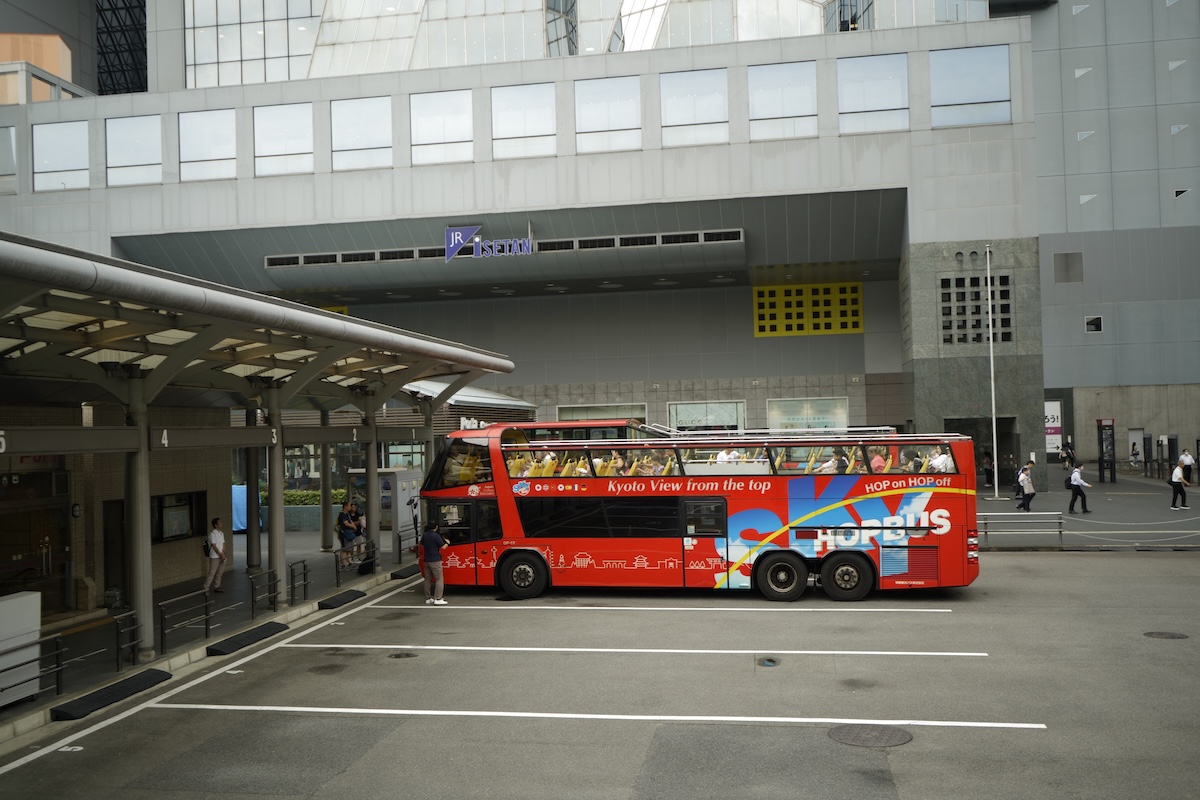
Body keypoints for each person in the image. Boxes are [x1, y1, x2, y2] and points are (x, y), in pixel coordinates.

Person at [421, 520, 449, 605]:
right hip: (435, 560)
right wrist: (447, 543)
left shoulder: (425, 535)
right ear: (436, 527)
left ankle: (428, 598)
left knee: (427, 579)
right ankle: (438, 598)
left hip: (426, 560)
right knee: (439, 579)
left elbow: (422, 544)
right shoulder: (436, 536)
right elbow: (443, 547)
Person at [203, 516, 227, 594]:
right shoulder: (212, 534)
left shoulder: (221, 533)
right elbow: (214, 546)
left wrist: (223, 553)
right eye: (219, 522)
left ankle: (217, 586)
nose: (221, 523)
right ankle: (206, 588)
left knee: (220, 572)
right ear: (215, 525)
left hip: (221, 555)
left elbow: (223, 544)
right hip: (214, 556)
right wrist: (220, 554)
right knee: (212, 572)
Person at [336, 501, 357, 566]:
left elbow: (350, 521)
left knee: (349, 548)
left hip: (349, 532)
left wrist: (353, 526)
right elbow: (346, 523)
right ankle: (343, 562)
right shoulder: (342, 514)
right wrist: (353, 526)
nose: (350, 507)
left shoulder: (347, 514)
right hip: (344, 533)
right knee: (344, 549)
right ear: (345, 506)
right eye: (349, 506)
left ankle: (349, 561)